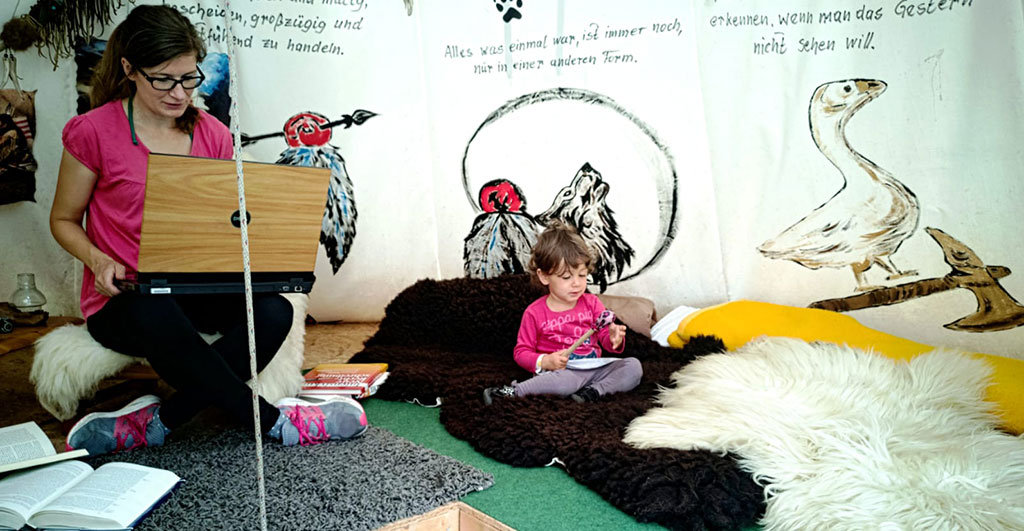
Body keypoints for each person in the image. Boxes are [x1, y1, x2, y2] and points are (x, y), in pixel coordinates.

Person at [50, 5, 365, 456]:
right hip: (127, 299)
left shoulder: (213, 134)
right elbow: (63, 219)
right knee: (154, 310)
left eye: (189, 78)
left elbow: (225, 221)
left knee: (275, 310)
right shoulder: (91, 131)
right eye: (163, 80)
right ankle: (276, 423)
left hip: (197, 288)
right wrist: (98, 260)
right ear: (129, 69)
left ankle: (160, 421)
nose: (180, 93)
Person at [483, 221, 643, 404]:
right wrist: (545, 361)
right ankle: (512, 391)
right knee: (564, 383)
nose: (576, 283)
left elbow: (605, 337)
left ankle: (593, 392)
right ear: (544, 276)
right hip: (561, 373)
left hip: (593, 369)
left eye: (582, 275)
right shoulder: (534, 313)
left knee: (633, 366)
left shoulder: (592, 303)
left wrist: (614, 339)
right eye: (567, 277)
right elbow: (521, 352)